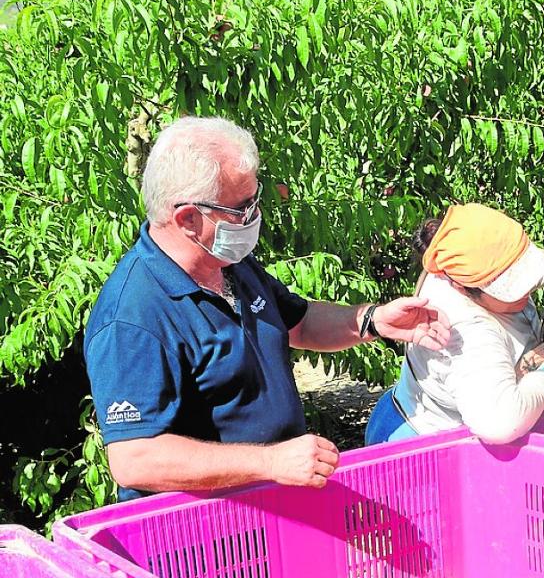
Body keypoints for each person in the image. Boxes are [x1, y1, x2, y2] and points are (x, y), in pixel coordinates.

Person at [84, 117, 449, 500]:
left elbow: (300, 323)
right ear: (188, 218)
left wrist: (372, 320)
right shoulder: (132, 318)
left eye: (256, 200)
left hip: (274, 509)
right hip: (205, 538)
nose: (255, 216)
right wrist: (270, 462)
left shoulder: (227, 262)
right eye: (242, 207)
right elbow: (135, 458)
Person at [365, 203, 544, 445]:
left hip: (412, 411)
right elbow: (500, 424)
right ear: (461, 287)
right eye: (511, 288)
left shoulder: (469, 259)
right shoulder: (467, 330)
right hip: (422, 442)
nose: (527, 291)